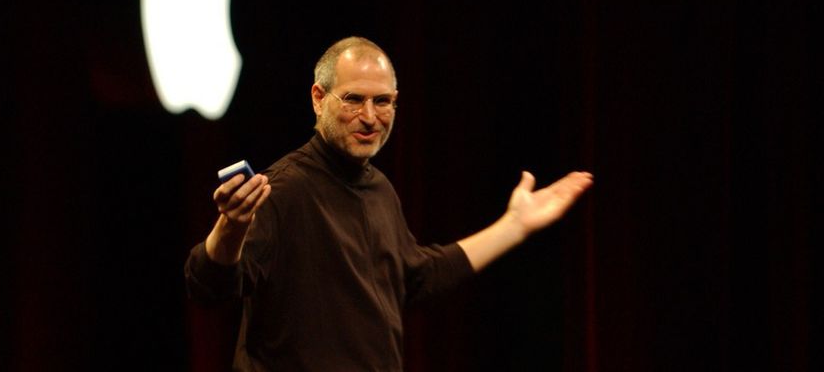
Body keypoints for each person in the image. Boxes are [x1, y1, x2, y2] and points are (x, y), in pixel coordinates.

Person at [184, 36, 593, 371]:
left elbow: (415, 276)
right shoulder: (285, 188)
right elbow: (208, 287)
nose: (369, 117)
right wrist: (230, 227)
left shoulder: (379, 189)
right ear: (318, 98)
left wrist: (514, 226)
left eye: (382, 102)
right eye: (353, 99)